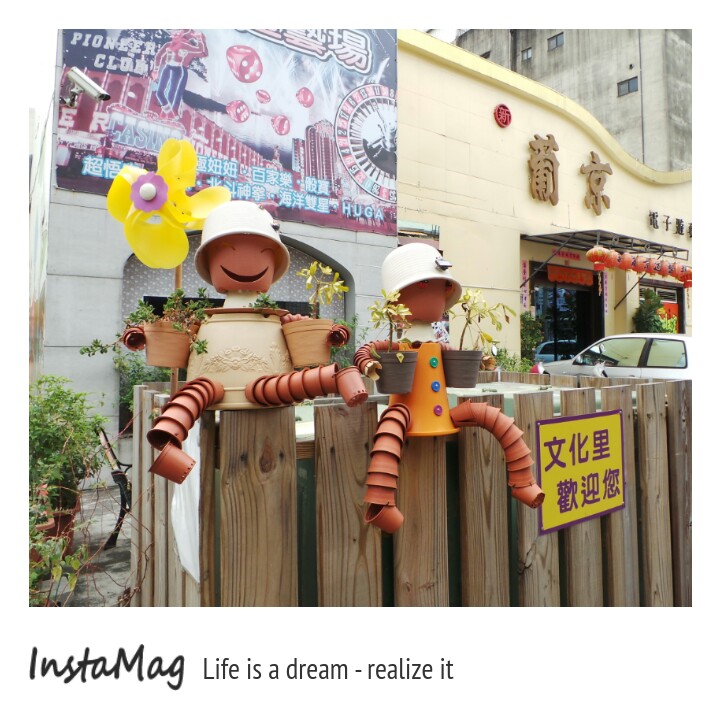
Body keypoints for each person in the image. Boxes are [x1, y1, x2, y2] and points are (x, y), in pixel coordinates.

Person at [353, 243, 544, 533]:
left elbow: (452, 353)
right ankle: (382, 506)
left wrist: (481, 360)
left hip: (444, 415)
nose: (440, 294)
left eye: (443, 287)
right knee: (389, 435)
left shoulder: (438, 342)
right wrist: (368, 363)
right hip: (405, 414)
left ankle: (524, 483)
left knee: (498, 421)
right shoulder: (396, 343)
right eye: (427, 285)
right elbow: (365, 350)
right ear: (398, 298)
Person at [151, 30, 208, 119]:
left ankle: (169, 113)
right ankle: (169, 112)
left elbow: (202, 53)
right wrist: (155, 70)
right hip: (169, 68)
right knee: (161, 92)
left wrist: (201, 40)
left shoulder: (185, 46)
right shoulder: (169, 45)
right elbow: (159, 57)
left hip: (178, 69)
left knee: (173, 93)